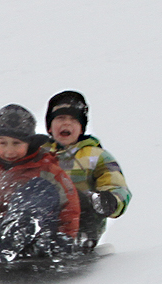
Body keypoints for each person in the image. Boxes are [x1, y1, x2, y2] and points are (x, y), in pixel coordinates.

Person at [0, 104, 80, 265]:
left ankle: (15, 240)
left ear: (29, 143)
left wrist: (66, 238)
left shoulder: (47, 170)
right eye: (3, 143)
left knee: (38, 189)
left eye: (16, 144)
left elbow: (69, 207)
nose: (9, 151)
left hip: (37, 239)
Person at [43, 90, 131, 249]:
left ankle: (75, 243)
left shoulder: (96, 156)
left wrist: (109, 200)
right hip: (44, 220)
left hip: (81, 223)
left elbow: (117, 187)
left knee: (82, 198)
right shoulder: (38, 154)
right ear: (49, 127)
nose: (66, 124)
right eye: (60, 118)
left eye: (73, 120)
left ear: (82, 128)